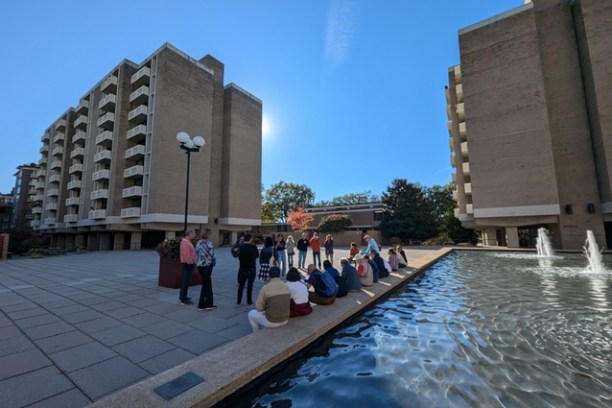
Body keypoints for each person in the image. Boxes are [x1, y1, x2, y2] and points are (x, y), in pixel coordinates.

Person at [247, 267, 291, 333]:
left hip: (272, 321)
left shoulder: (265, 288)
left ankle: (256, 334)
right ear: (279, 275)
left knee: (251, 314)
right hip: (285, 319)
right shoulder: (286, 286)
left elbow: (259, 308)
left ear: (269, 275)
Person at [195, 228, 216, 310]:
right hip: (207, 265)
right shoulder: (209, 243)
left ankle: (208, 303)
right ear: (208, 234)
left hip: (200, 266)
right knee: (206, 284)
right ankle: (203, 304)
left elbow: (196, 254)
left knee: (207, 283)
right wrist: (213, 263)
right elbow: (212, 256)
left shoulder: (198, 243)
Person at [237, 233, 259, 307]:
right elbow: (257, 255)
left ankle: (238, 301)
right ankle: (249, 302)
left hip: (242, 268)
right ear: (250, 239)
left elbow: (239, 257)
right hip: (251, 268)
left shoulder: (241, 247)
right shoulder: (254, 247)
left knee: (241, 286)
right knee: (250, 286)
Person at [179, 229, 197, 305]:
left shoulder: (187, 241)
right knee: (186, 281)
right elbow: (186, 255)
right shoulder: (185, 242)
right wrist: (192, 263)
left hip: (188, 263)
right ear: (189, 234)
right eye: (193, 234)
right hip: (187, 264)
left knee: (186, 281)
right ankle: (184, 299)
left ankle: (182, 296)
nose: (194, 235)